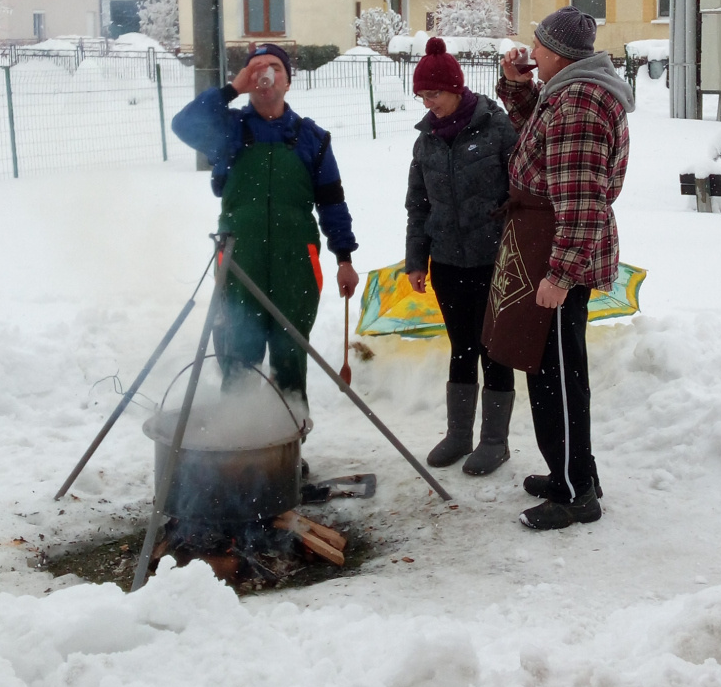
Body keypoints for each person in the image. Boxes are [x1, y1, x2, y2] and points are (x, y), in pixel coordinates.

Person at [492, 6, 632, 530]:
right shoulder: (567, 94)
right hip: (547, 243)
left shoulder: (579, 104)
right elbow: (537, 137)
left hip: (556, 250)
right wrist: (517, 86)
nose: (531, 50)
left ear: (558, 53)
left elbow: (582, 201)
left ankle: (575, 495)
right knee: (555, 372)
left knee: (558, 379)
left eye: (538, 43)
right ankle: (573, 474)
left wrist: (560, 275)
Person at [171, 44, 359, 428]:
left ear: (288, 81)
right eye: (256, 69)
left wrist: (344, 258)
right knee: (238, 350)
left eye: (275, 67)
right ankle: (236, 440)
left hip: (296, 261)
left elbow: (332, 203)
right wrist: (231, 89)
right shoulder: (229, 131)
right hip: (239, 260)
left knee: (291, 351)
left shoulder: (312, 139)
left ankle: (288, 443)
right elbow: (183, 124)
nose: (266, 75)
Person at [404, 37, 518, 474]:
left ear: (456, 88)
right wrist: (417, 260)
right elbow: (418, 205)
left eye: (434, 93)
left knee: (495, 348)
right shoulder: (427, 141)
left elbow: (520, 192)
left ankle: (494, 441)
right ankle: (458, 435)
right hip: (448, 262)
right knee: (461, 347)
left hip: (494, 261)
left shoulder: (497, 129)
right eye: (422, 95)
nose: (428, 103)